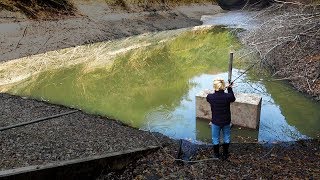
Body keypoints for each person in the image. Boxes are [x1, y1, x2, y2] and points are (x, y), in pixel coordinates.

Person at [206, 78, 235, 160]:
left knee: (215, 138)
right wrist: (229, 88)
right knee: (227, 137)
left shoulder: (210, 97)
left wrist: (221, 89)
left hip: (216, 122)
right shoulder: (228, 96)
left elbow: (210, 97)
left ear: (215, 87)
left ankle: (216, 154)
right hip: (226, 121)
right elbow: (233, 98)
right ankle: (225, 154)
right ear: (223, 86)